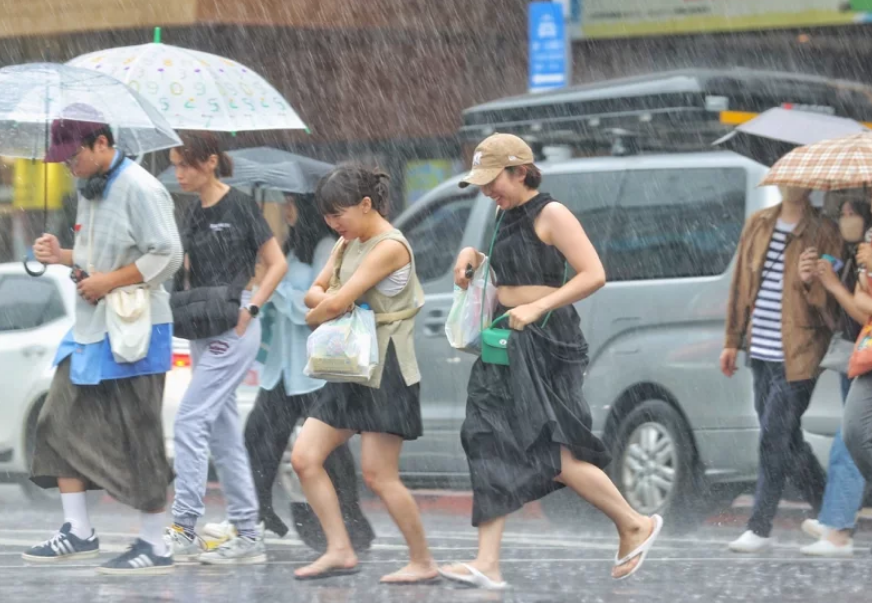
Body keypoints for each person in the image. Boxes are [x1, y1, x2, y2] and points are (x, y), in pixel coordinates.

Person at [439, 133, 662, 589]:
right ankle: (488, 563)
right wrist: (472, 258)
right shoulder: (504, 215)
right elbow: (515, 268)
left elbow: (594, 273)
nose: (487, 191)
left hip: (547, 339)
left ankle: (634, 522)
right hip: (506, 336)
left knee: (551, 451)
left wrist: (538, 308)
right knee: (485, 436)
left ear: (521, 171)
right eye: (481, 183)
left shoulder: (551, 213)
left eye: (493, 180)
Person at [22, 108, 183, 574]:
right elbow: (98, 258)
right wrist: (61, 257)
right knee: (55, 421)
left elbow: (168, 253)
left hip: (135, 328)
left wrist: (109, 281)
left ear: (101, 143)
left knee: (140, 432)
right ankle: (78, 531)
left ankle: (156, 542)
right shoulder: (90, 188)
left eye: (73, 157)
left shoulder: (142, 187)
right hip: (90, 329)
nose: (68, 167)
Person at [290, 165, 437, 583]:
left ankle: (422, 561)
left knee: (378, 475)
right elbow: (313, 292)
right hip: (350, 364)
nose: (334, 224)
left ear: (366, 204)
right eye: (328, 217)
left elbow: (330, 303)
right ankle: (339, 549)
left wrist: (319, 312)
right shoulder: (345, 241)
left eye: (340, 214)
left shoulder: (391, 247)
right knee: (305, 458)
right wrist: (325, 304)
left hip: (387, 366)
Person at [202, 194, 375, 551]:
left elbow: (312, 308)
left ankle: (350, 524)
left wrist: (274, 283)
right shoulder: (291, 248)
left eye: (292, 203)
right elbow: (278, 308)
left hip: (314, 370)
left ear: (307, 207)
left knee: (328, 453)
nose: (285, 209)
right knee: (258, 441)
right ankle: (253, 517)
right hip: (283, 370)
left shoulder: (328, 246)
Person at [166, 132, 287, 565]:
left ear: (210, 162)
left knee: (191, 420)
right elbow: (180, 268)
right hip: (202, 325)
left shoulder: (239, 205)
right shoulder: (191, 212)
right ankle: (248, 533)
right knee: (222, 434)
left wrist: (251, 308)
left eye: (184, 164)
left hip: (233, 326)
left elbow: (277, 264)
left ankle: (183, 526)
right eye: (174, 165)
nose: (178, 173)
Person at [721, 186, 841, 553]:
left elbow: (832, 305)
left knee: (774, 436)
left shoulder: (825, 232)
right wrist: (732, 339)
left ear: (810, 186)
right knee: (788, 440)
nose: (791, 184)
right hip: (761, 350)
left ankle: (759, 527)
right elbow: (742, 283)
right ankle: (829, 513)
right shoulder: (758, 223)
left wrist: (811, 282)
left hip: (801, 352)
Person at [797, 196, 870, 557]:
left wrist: (843, 283)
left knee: (851, 440)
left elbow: (863, 308)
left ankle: (838, 527)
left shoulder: (866, 254)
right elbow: (832, 315)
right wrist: (812, 279)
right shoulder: (850, 254)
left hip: (864, 356)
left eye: (852, 213)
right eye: (841, 214)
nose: (844, 220)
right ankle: (836, 522)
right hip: (852, 355)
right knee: (851, 439)